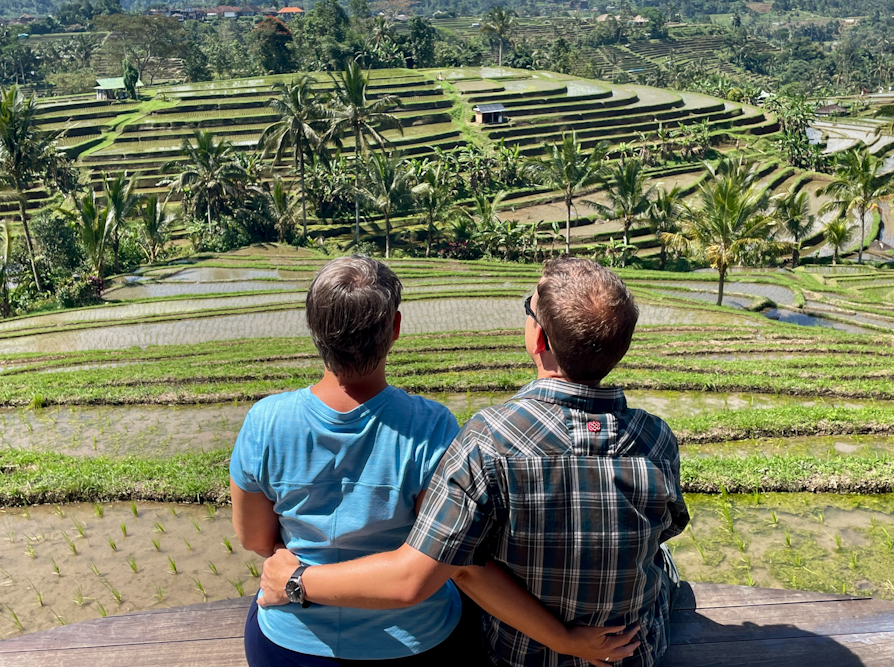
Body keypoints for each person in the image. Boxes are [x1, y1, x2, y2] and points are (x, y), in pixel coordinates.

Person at [259, 257, 690, 667]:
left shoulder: (490, 438)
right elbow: (665, 528)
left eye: (529, 308)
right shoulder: (656, 439)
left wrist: (296, 580)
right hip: (632, 652)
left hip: (519, 655)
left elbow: (446, 570)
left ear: (538, 339)